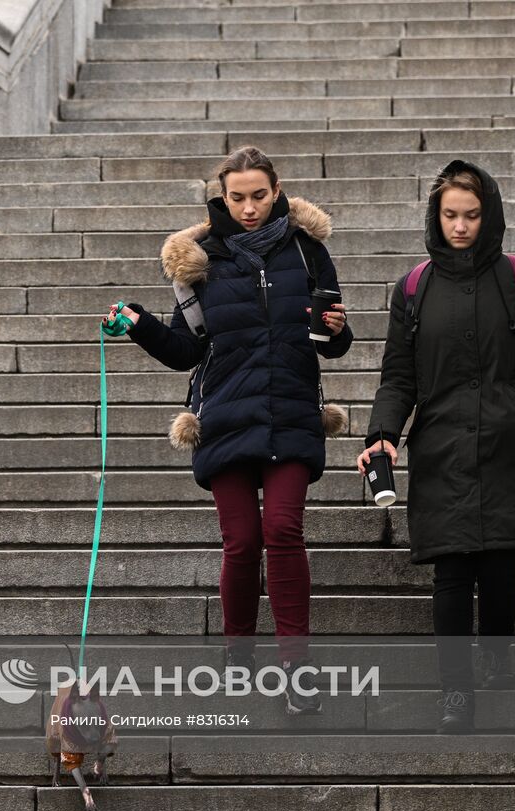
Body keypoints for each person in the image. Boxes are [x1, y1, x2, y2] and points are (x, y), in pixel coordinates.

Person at [103, 145, 354, 715]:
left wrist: (337, 331)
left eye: (259, 196)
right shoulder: (199, 260)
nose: (248, 208)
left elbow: (331, 343)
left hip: (291, 409)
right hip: (224, 416)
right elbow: (186, 349)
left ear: (276, 190)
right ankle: (239, 659)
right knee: (242, 542)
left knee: (284, 530)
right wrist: (141, 325)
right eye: (236, 197)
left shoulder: (308, 251)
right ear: (222, 195)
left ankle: (296, 669)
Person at [356, 159, 515, 734]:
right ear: (436, 216)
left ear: (491, 215)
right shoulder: (413, 288)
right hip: (442, 449)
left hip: (510, 443)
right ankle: (456, 692)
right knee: (452, 572)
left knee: (500, 564)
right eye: (450, 215)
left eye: (472, 215)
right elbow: (397, 375)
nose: (461, 226)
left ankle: (499, 655)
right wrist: (382, 433)